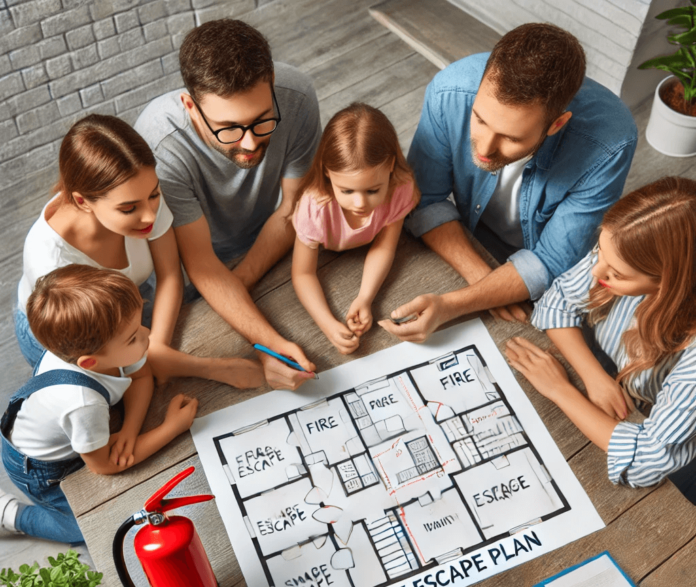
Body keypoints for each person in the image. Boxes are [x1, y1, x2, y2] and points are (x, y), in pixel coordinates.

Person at [381, 23, 638, 343]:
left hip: (550, 270)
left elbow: (554, 258)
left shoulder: (610, 144)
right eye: (479, 119)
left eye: (511, 137)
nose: (485, 149)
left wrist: (452, 304)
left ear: (557, 124)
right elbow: (425, 198)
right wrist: (485, 284)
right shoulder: (450, 90)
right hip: (469, 238)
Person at [135, 18, 322, 389]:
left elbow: (293, 209)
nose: (250, 144)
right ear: (190, 105)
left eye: (262, 121)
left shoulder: (296, 96)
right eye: (229, 128)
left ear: (271, 81)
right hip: (178, 275)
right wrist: (269, 344)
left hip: (262, 247)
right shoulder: (159, 146)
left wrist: (241, 281)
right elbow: (200, 263)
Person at [15, 114, 264, 391]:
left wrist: (157, 346)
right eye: (128, 209)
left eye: (155, 195)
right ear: (83, 202)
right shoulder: (50, 261)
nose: (149, 216)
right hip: (72, 334)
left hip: (124, 307)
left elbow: (170, 275)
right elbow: (111, 357)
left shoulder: (140, 195)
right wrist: (214, 368)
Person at [505, 177, 696, 502]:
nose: (597, 272)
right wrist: (593, 377)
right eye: (600, 252)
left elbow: (646, 460)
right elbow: (558, 301)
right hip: (618, 388)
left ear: (669, 284)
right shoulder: (622, 247)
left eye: (617, 274)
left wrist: (560, 389)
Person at [0, 265, 199, 542]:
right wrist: (172, 428)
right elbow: (104, 464)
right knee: (85, 530)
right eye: (132, 338)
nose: (146, 334)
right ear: (90, 363)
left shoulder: (92, 348)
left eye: (139, 322)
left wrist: (130, 430)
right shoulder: (83, 404)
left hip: (71, 428)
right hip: (38, 468)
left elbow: (141, 375)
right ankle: (12, 515)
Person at [291, 103, 418, 354]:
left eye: (373, 190)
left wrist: (365, 297)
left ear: (391, 166)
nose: (360, 203)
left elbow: (384, 245)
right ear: (328, 173)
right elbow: (302, 273)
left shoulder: (400, 188)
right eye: (346, 191)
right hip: (314, 238)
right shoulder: (315, 207)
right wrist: (327, 324)